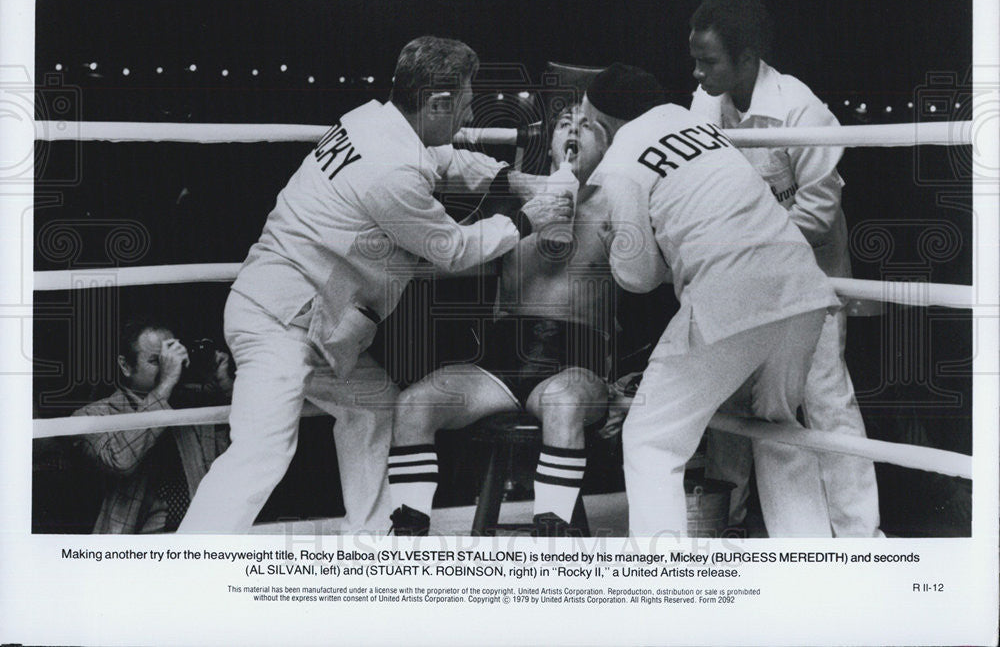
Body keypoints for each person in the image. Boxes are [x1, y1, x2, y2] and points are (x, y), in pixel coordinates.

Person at [178, 36, 572, 534]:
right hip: (282, 322)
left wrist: (507, 178)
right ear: (438, 103)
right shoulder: (391, 172)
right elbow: (451, 250)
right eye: (465, 105)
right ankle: (184, 567)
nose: (467, 115)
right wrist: (524, 220)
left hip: (308, 316)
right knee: (261, 454)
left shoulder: (374, 119)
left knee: (373, 405)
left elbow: (445, 157)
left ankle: (370, 542)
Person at [387, 76, 667, 537]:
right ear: (551, 141)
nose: (573, 133)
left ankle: (551, 539)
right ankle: (409, 539)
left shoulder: (620, 199)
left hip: (577, 361)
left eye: (589, 127)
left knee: (561, 402)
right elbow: (451, 192)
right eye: (563, 124)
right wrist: (518, 188)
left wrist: (633, 385)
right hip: (499, 359)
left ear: (611, 144)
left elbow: (647, 289)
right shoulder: (515, 192)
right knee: (415, 404)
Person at [588, 62, 842, 537]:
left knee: (651, 441)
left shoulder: (621, 161)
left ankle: (667, 590)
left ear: (602, 124)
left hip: (731, 296)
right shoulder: (701, 129)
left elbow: (639, 279)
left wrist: (612, 241)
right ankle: (813, 578)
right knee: (780, 432)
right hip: (802, 288)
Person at [688, 0, 881, 537]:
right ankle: (729, 526)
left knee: (824, 400)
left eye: (709, 61)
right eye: (696, 59)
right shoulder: (705, 104)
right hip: (740, 273)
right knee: (731, 400)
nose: (697, 72)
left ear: (747, 59)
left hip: (811, 278)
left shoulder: (803, 110)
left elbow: (817, 214)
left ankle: (860, 539)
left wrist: (742, 245)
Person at [72, 316, 233, 534]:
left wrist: (227, 389)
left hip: (200, 535)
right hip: (134, 546)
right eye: (157, 361)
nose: (171, 367)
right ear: (125, 366)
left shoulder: (195, 405)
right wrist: (165, 385)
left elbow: (245, 453)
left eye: (172, 358)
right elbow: (120, 461)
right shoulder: (92, 415)